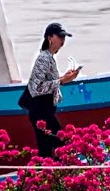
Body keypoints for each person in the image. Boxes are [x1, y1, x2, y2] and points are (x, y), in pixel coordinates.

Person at [26, 22, 81, 158]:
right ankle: (56, 176)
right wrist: (62, 80)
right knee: (60, 145)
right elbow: (36, 88)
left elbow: (48, 84)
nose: (63, 40)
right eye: (60, 36)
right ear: (50, 37)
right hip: (40, 111)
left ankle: (47, 176)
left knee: (47, 150)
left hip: (45, 110)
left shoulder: (49, 58)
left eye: (64, 37)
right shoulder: (44, 58)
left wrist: (64, 78)